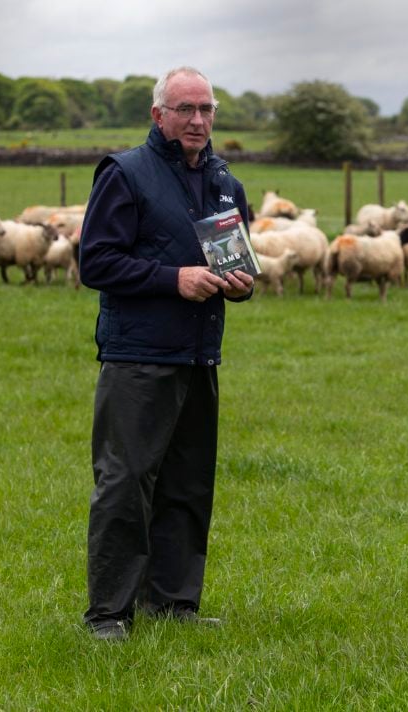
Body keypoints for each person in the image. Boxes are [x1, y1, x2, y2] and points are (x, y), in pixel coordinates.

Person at [79, 66, 254, 641]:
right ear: (159, 115)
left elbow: (235, 260)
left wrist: (242, 282)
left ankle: (174, 603)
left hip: (199, 354)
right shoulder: (126, 174)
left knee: (188, 482)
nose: (198, 121)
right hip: (138, 356)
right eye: (185, 109)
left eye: (206, 109)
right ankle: (109, 614)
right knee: (126, 482)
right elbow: (96, 263)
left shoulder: (225, 181)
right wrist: (171, 279)